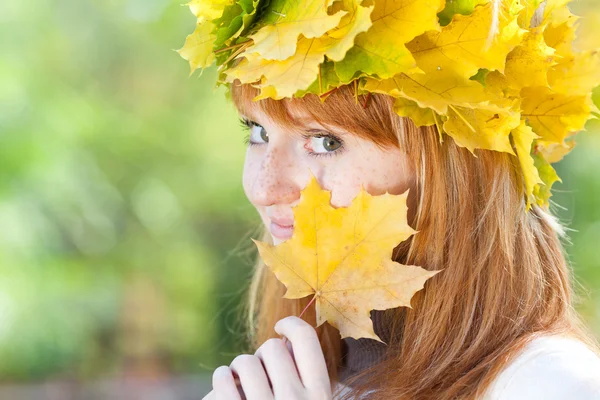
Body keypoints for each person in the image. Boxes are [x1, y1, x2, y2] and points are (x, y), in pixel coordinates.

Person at [177, 0, 600, 398]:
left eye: (325, 142)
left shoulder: (549, 384)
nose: (263, 188)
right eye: (257, 132)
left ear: (452, 170)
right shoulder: (310, 375)